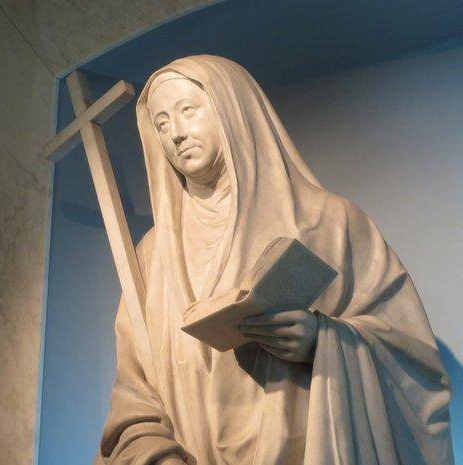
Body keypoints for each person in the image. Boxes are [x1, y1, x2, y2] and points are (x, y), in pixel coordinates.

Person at [96, 55, 454, 465]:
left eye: (188, 110)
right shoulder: (152, 255)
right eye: (161, 124)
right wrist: (157, 456)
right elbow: (134, 394)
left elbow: (413, 363)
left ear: (233, 110)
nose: (175, 133)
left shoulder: (328, 222)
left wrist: (323, 341)